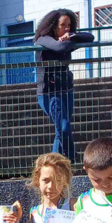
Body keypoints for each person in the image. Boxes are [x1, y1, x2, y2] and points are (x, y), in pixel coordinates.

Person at [34, 9, 94, 162]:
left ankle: (61, 163)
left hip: (66, 89)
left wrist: (71, 36)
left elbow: (90, 37)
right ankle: (69, 159)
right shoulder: (43, 39)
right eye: (63, 25)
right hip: (49, 93)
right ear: (53, 26)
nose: (66, 28)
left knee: (61, 130)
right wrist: (69, 41)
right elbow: (60, 48)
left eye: (69, 25)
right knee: (63, 127)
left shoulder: (67, 40)